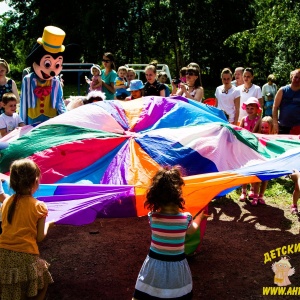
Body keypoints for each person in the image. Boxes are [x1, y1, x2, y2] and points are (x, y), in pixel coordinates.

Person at [132, 166, 208, 300]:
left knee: (149, 292)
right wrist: (199, 217)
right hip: (177, 266)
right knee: (175, 293)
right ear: (179, 196)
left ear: (155, 197)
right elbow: (191, 230)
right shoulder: (185, 219)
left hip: (154, 265)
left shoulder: (153, 217)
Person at [0, 158, 54, 299]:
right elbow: (39, 237)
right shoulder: (39, 206)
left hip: (2, 255)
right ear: (35, 181)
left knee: (13, 288)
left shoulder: (6, 202)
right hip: (25, 255)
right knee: (44, 280)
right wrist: (48, 224)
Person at [239, 97, 263, 205]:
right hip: (244, 147)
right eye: (247, 108)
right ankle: (243, 191)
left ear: (257, 109)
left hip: (255, 148)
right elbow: (239, 130)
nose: (249, 110)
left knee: (254, 169)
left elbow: (256, 132)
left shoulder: (259, 119)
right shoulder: (244, 119)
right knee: (245, 169)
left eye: (252, 108)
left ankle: (253, 190)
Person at [273, 69, 300, 134]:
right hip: (283, 126)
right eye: (296, 77)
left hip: (298, 127)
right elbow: (275, 107)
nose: (297, 80)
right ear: (291, 77)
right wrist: (275, 123)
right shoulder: (282, 90)